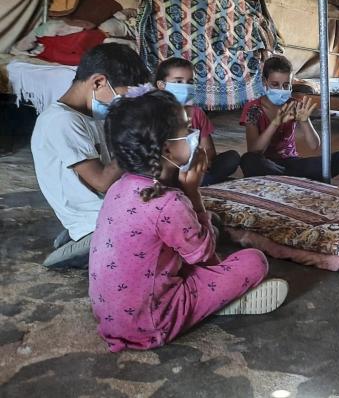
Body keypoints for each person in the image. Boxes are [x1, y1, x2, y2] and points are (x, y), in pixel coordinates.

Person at [89, 90, 287, 352]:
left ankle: (206, 299)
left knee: (197, 234)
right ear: (167, 148)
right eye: (187, 129)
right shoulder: (168, 202)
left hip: (111, 316)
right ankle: (214, 304)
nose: (194, 134)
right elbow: (205, 256)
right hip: (152, 324)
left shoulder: (120, 186)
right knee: (253, 261)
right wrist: (193, 191)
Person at [31, 44, 150, 269]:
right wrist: (133, 142)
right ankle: (83, 243)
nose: (122, 105)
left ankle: (84, 236)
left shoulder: (91, 117)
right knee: (159, 236)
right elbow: (102, 181)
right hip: (96, 216)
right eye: (121, 98)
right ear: (98, 82)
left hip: (105, 209)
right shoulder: (62, 120)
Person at [239, 55, 339, 180]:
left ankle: (285, 178)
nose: (281, 90)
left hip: (292, 163)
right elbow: (254, 150)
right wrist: (275, 124)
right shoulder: (253, 108)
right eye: (275, 84)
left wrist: (305, 121)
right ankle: (294, 179)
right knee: (248, 161)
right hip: (265, 163)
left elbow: (314, 145)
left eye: (286, 85)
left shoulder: (294, 105)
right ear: (264, 82)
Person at [155, 57, 241, 186]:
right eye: (178, 82)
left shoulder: (196, 113)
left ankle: (197, 183)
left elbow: (209, 149)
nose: (186, 86)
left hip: (195, 168)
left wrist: (202, 161)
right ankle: (198, 184)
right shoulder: (153, 114)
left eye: (190, 82)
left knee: (232, 158)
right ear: (161, 85)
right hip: (167, 172)